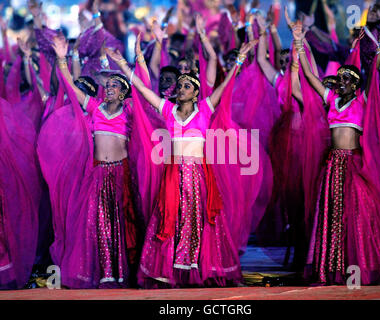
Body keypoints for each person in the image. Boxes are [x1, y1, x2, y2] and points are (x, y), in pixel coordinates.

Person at [105, 40, 257, 288]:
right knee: (170, 218)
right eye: (181, 86)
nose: (182, 88)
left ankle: (200, 268)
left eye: (188, 86)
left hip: (198, 174)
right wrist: (123, 63)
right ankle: (171, 272)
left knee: (199, 220)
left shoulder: (205, 110)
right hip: (173, 174)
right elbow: (142, 89)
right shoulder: (167, 110)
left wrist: (239, 60)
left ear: (196, 92)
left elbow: (224, 87)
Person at [293, 17, 380, 285]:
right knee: (330, 212)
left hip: (353, 164)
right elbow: (310, 77)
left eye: (346, 79)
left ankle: (359, 267)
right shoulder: (332, 100)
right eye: (340, 78)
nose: (340, 82)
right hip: (332, 164)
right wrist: (299, 45)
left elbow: (375, 74)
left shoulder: (362, 101)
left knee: (356, 214)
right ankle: (331, 266)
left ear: (355, 85)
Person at [40, 34, 142, 288]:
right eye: (107, 87)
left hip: (121, 174)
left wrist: (127, 66)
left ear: (123, 93)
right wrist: (62, 61)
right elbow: (73, 89)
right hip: (97, 174)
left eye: (115, 87)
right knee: (99, 223)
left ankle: (121, 273)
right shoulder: (95, 108)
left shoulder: (128, 110)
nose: (109, 89)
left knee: (121, 222)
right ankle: (104, 272)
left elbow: (144, 88)